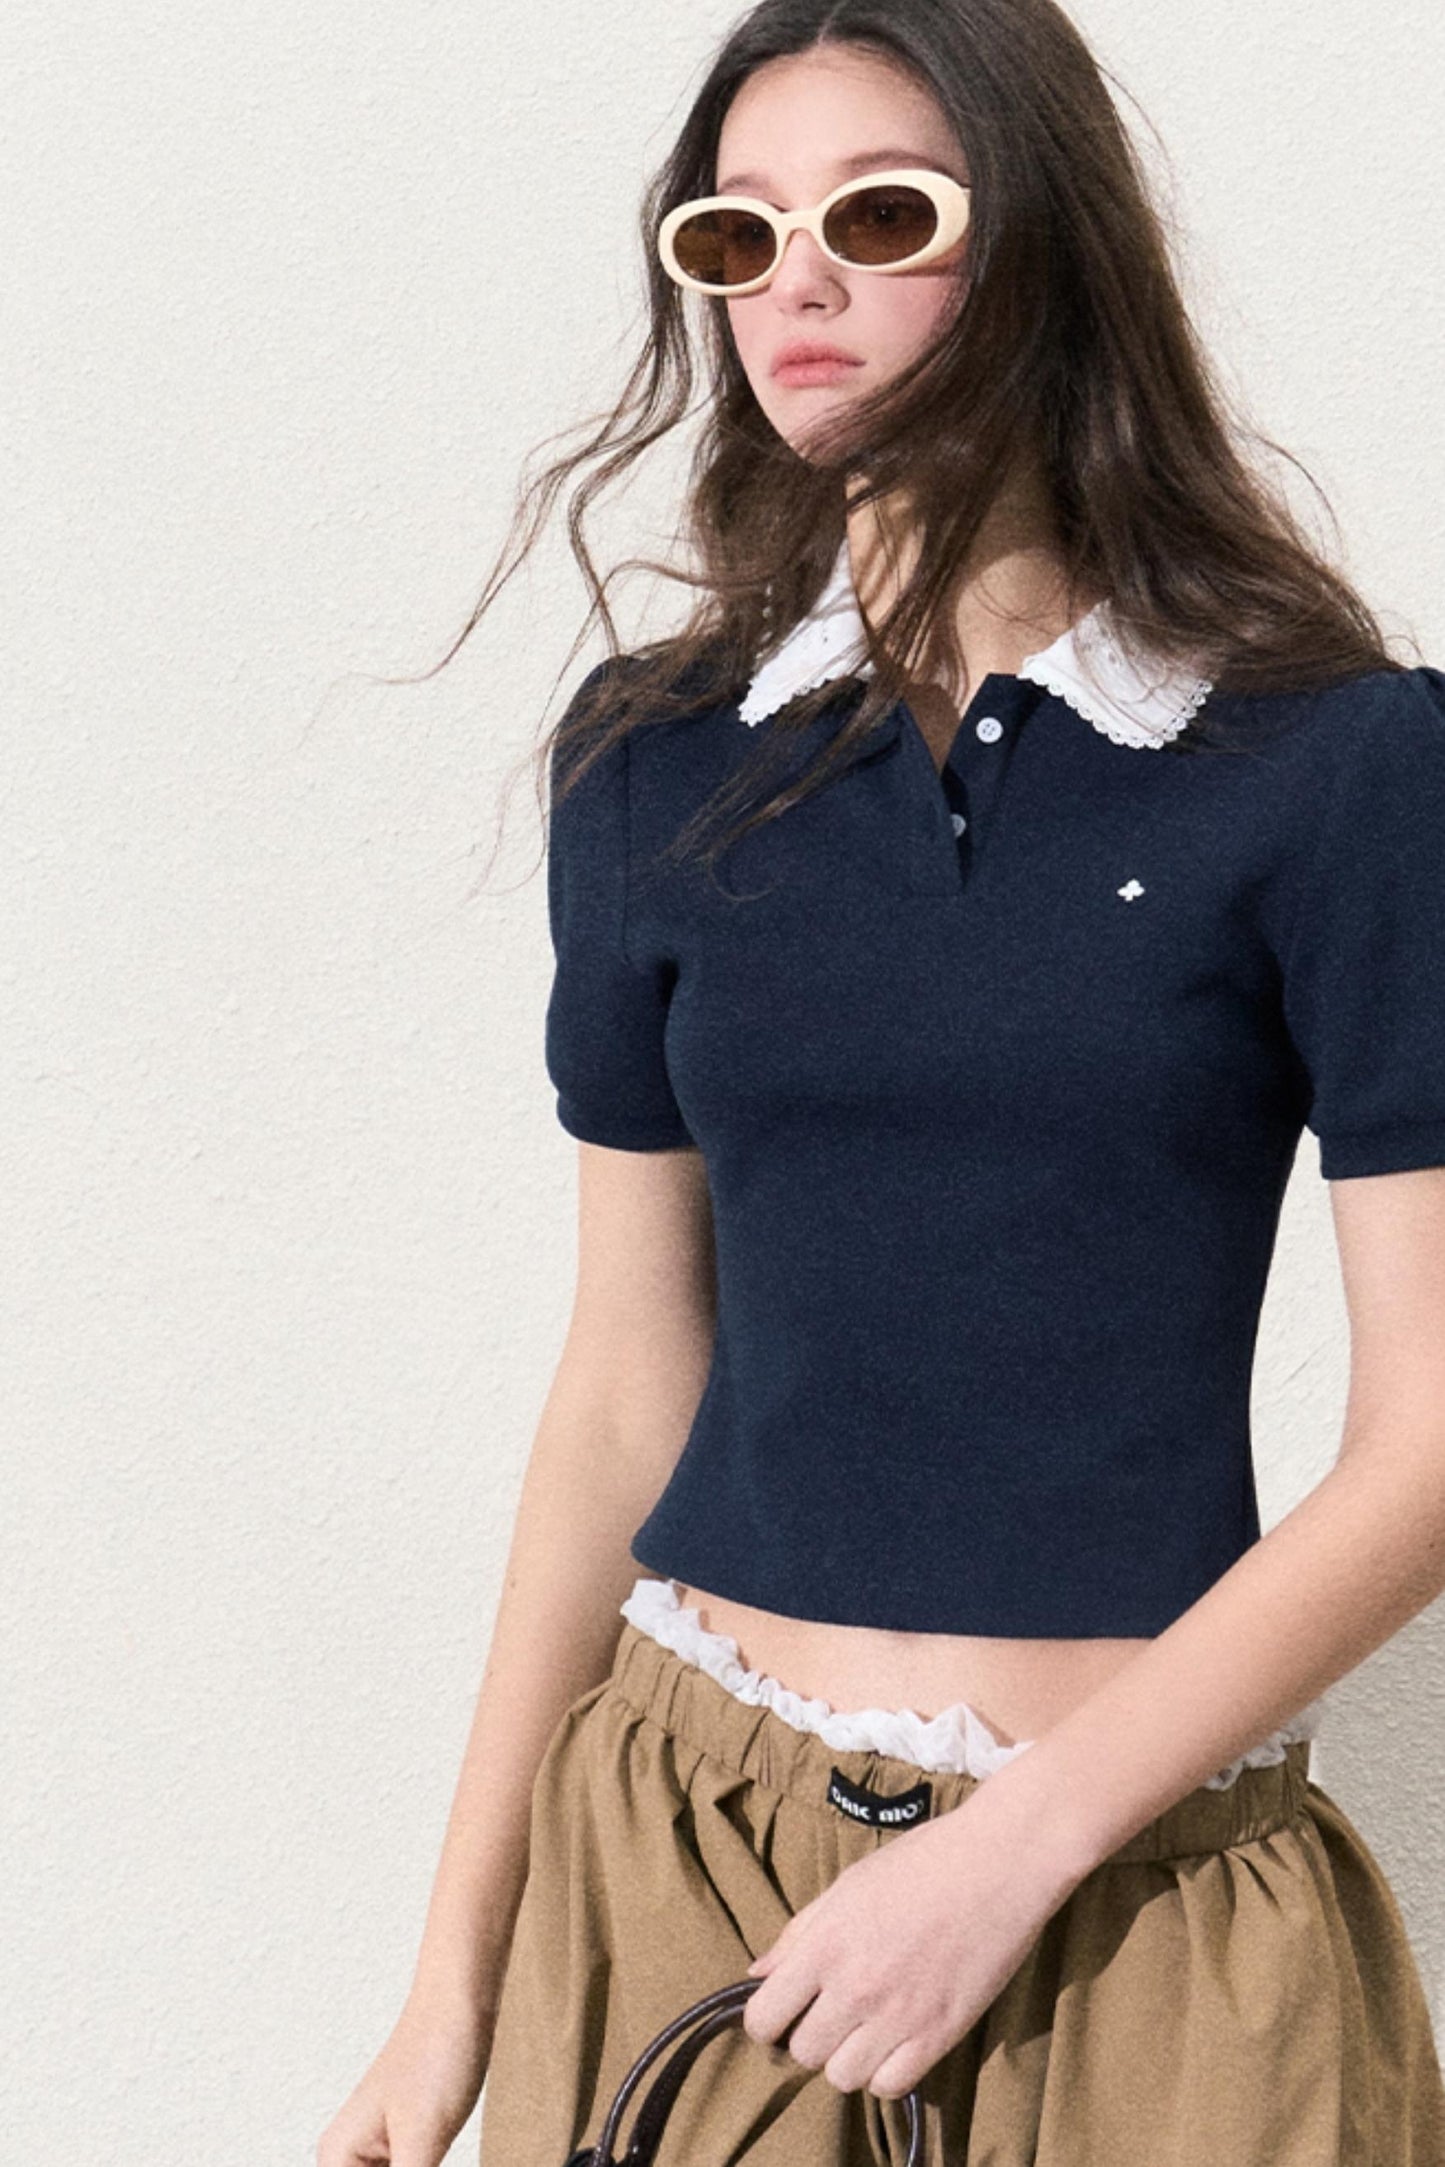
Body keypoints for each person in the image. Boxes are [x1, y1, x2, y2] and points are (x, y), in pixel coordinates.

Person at [317, 4, 1445, 2162]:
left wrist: (1011, 1853)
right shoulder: (653, 761)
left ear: (1047, 243)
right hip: (680, 1855)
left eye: (881, 215)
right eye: (735, 235)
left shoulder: (1335, 763)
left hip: (1138, 1901)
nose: (795, 282)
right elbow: (623, 1388)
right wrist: (453, 1970)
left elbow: (1433, 1436)